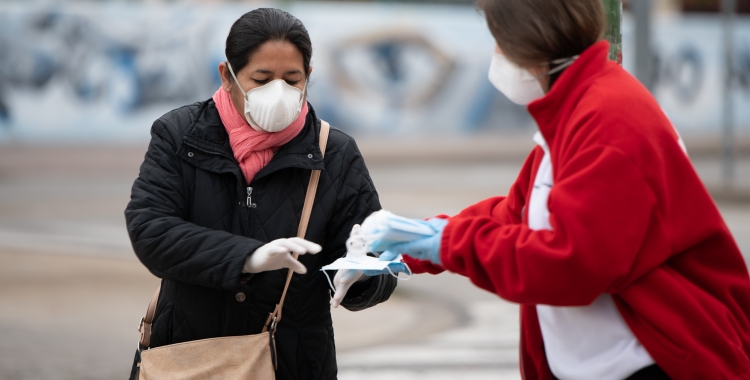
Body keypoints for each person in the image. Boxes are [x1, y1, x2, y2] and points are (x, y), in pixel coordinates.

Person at [373, 0, 750, 379]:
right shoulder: (575, 109)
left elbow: (572, 264)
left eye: (499, 41)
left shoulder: (608, 119)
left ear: (531, 40)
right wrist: (412, 248)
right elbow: (516, 215)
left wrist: (445, 242)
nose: (496, 53)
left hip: (653, 363)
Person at [125, 8, 396, 380]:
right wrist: (247, 258)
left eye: (292, 79)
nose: (279, 92)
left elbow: (369, 253)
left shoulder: (335, 153)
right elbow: (151, 230)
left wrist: (364, 275)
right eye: (262, 78)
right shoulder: (179, 135)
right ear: (227, 76)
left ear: (308, 78)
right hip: (189, 356)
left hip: (295, 362)